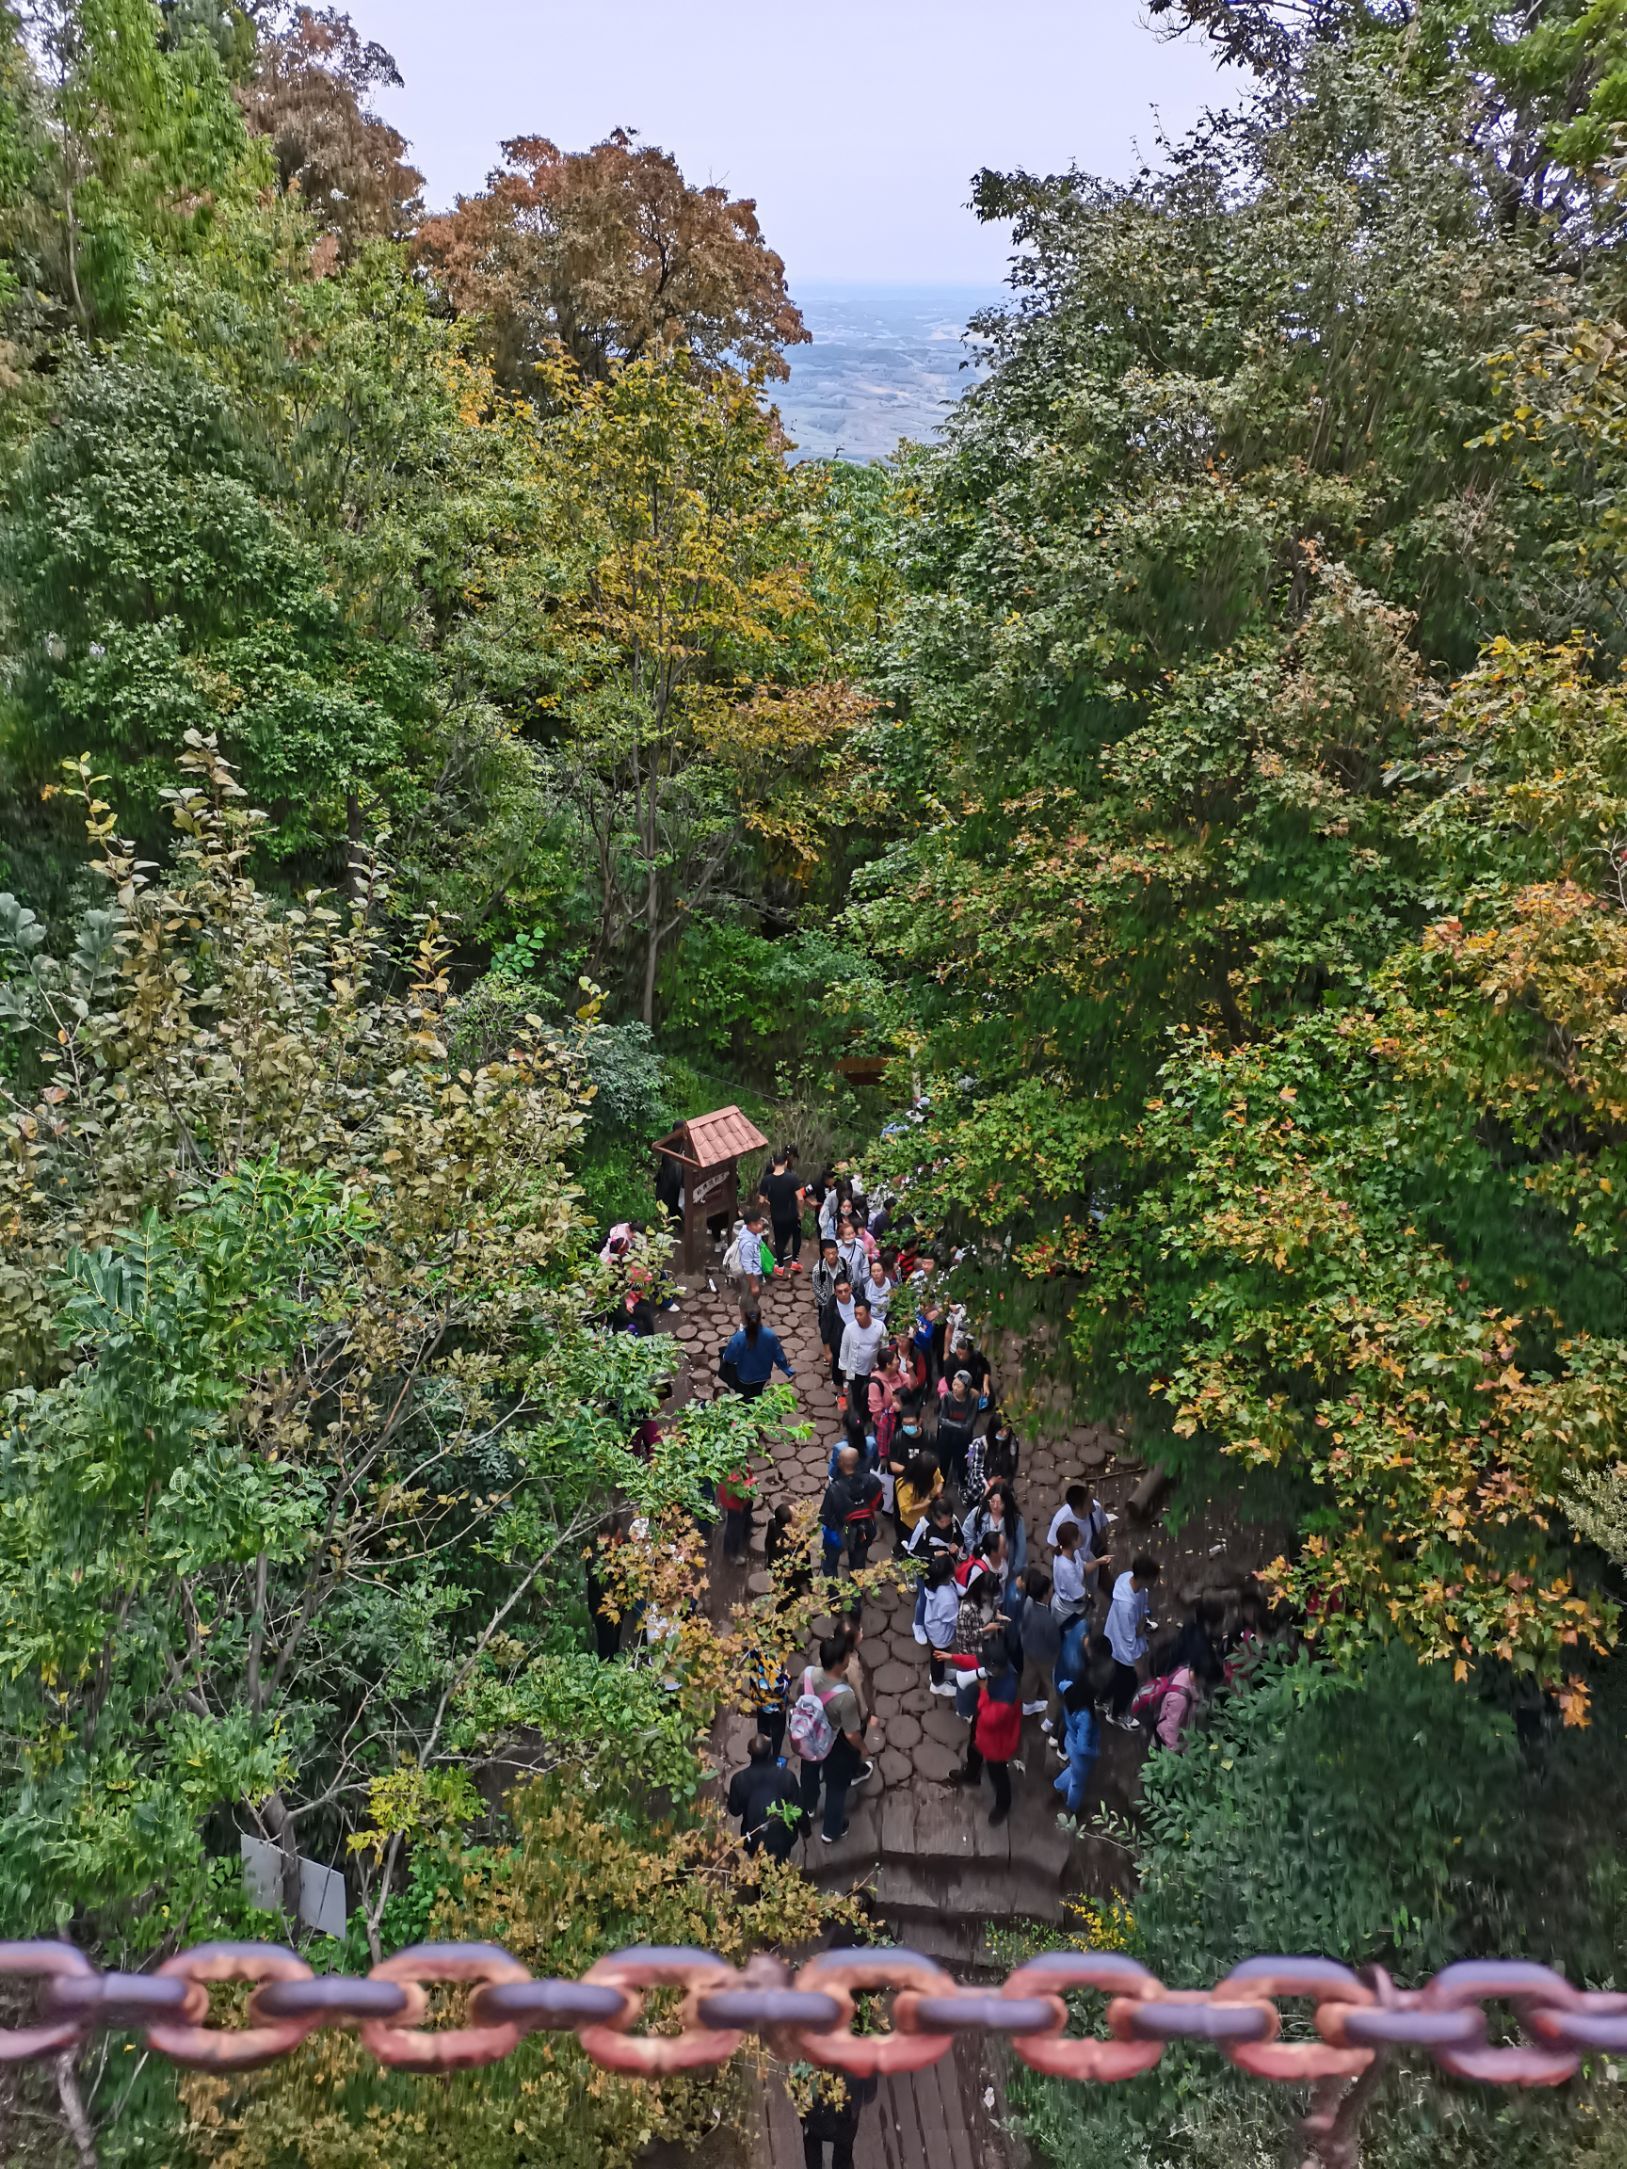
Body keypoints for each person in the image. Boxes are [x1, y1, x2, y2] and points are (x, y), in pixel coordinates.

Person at [792, 1636, 873, 1845]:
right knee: (836, 1787)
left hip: (809, 1737)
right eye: (847, 1656)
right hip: (832, 1743)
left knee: (808, 1773)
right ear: (840, 1663)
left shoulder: (807, 1674)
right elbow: (851, 1734)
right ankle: (831, 1830)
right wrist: (862, 1748)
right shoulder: (845, 1697)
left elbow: (798, 1696)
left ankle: (809, 1807)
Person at [952, 1645, 1022, 1826]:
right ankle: (971, 1774)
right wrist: (951, 1657)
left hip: (996, 1740)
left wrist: (983, 1691)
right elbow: (975, 1662)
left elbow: (992, 1719)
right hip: (983, 1724)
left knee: (997, 1773)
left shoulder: (1008, 1692)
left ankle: (1003, 1804)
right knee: (973, 1748)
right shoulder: (996, 1669)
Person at [1106, 1554, 1162, 1725]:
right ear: (1144, 1578)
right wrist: (1137, 1663)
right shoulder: (1126, 1606)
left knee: (1115, 1676)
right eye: (1153, 1579)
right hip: (1121, 1646)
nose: (1155, 1582)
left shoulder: (1127, 1578)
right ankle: (1117, 1715)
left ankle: (1101, 1700)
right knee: (1128, 1682)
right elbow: (1128, 1639)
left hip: (1120, 1632)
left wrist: (1143, 1619)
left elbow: (1142, 1605)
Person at [727, 1734, 802, 1860]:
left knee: (758, 1864)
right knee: (781, 1862)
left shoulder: (739, 1780)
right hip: (783, 1836)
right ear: (771, 1753)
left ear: (749, 1753)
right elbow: (798, 1808)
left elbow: (735, 1811)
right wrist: (805, 1829)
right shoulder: (787, 1777)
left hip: (753, 1835)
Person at [800, 2071, 878, 2169]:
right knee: (843, 2152)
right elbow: (869, 2096)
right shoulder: (859, 2062)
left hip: (815, 2118)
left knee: (813, 2147)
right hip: (845, 2121)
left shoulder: (810, 2060)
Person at [720, 1302, 795, 1400]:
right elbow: (778, 1355)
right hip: (763, 1376)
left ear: (744, 1318)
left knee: (744, 1398)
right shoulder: (770, 1335)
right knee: (758, 1396)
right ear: (760, 1317)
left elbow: (729, 1358)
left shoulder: (738, 1338)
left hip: (744, 1377)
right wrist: (786, 1369)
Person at [1016, 1567, 1063, 1720]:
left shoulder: (1029, 1602)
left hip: (1028, 1648)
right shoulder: (1048, 1621)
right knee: (1052, 1685)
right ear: (1045, 1595)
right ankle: (1050, 1719)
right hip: (1044, 1657)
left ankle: (1028, 1703)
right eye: (1050, 1589)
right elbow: (1055, 1643)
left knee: (1028, 1676)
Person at [1051, 1673, 1101, 1815]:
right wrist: (1095, 1752)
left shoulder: (1069, 1692)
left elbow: (1061, 1683)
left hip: (1069, 1742)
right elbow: (1082, 1746)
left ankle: (1058, 1786)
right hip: (1081, 1755)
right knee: (1077, 1783)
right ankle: (1071, 1809)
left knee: (1073, 1770)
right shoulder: (1084, 1716)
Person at [915, 1552, 961, 1693]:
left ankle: (939, 1673)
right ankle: (937, 1683)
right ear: (948, 1574)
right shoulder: (947, 1599)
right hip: (941, 1635)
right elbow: (955, 1620)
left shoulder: (934, 1583)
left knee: (936, 1656)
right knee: (939, 1656)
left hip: (933, 1627)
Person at [838, 1299, 886, 1416]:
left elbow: (884, 1347)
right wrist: (844, 1369)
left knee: (871, 1393)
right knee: (855, 1393)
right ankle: (857, 1415)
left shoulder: (879, 1327)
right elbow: (844, 1349)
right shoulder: (849, 1329)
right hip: (853, 1369)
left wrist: (881, 1367)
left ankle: (868, 1414)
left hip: (872, 1369)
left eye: (861, 1314)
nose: (858, 1317)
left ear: (868, 1313)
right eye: (856, 1314)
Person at [760, 1147, 805, 1272]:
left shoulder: (766, 1180)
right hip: (792, 1214)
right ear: (786, 1162)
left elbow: (761, 1200)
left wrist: (768, 1208)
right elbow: (800, 1199)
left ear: (773, 1163)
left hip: (776, 1216)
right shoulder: (792, 1178)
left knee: (779, 1239)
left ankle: (780, 1267)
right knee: (796, 1235)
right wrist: (800, 1212)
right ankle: (794, 1262)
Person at [935, 1370, 979, 1493]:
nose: (955, 1388)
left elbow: (969, 1425)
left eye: (958, 1386)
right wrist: (960, 1426)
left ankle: (961, 1480)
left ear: (966, 1388)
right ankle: (942, 1480)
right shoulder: (947, 1398)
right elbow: (941, 1419)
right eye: (954, 1384)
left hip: (963, 1439)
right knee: (943, 1460)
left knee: (961, 1461)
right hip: (946, 1437)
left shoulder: (972, 1400)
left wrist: (953, 1425)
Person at [892, 1448, 943, 1541]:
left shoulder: (933, 1470)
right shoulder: (905, 1485)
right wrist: (924, 1503)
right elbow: (906, 1508)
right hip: (912, 1523)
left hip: (929, 1516)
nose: (936, 1472)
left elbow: (940, 1481)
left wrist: (938, 1492)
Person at [1050, 1522, 1091, 1625]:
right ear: (1073, 1541)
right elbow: (1079, 1595)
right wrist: (1088, 1596)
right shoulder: (1066, 1568)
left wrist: (1099, 1562)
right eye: (1079, 1535)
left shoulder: (1071, 1552)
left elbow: (1082, 1567)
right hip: (1070, 1611)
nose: (1081, 1537)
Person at [820, 1275, 856, 1391]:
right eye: (840, 1292)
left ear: (850, 1288)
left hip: (856, 1344)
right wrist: (827, 1351)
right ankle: (840, 1394)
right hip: (839, 1346)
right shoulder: (830, 1307)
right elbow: (825, 1329)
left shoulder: (858, 1300)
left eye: (846, 1290)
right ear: (835, 1292)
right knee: (837, 1370)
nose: (844, 1294)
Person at [717, 1464, 755, 1563]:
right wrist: (751, 1482)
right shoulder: (731, 1476)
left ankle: (747, 1526)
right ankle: (732, 1554)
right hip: (736, 1503)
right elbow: (738, 1489)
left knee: (745, 1517)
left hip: (743, 1499)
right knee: (734, 1528)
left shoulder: (738, 1465)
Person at [810, 1236, 843, 1319]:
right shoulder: (818, 1269)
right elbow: (817, 1289)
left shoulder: (845, 1265)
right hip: (826, 1305)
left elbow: (850, 1281)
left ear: (838, 1252)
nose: (831, 1256)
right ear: (824, 1254)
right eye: (828, 1254)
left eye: (834, 1253)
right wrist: (827, 1304)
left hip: (843, 1302)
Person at [861, 1255, 894, 1319]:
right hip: (868, 1318)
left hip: (886, 1318)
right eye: (873, 1271)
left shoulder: (892, 1285)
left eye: (878, 1271)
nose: (876, 1274)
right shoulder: (865, 1283)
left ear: (884, 1272)